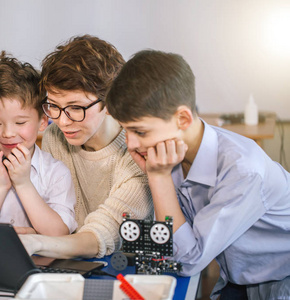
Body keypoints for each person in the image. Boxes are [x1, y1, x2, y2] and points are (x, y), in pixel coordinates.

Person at [105, 49, 290, 300]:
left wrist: (158, 178)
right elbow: (177, 246)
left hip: (279, 279)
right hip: (237, 277)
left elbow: (187, 261)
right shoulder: (168, 152)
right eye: (126, 130)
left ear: (182, 118)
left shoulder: (243, 171)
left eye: (140, 131)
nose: (131, 144)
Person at [19, 35, 153, 259]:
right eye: (53, 106)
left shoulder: (138, 151)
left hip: (125, 268)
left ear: (110, 102)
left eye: (76, 108)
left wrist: (37, 241)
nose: (62, 121)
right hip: (73, 262)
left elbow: (103, 233)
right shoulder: (55, 136)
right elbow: (59, 217)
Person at [0, 51, 77, 236]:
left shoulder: (56, 173)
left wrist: (23, 183)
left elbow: (60, 232)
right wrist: (1, 187)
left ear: (43, 122)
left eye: (20, 123)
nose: (8, 133)